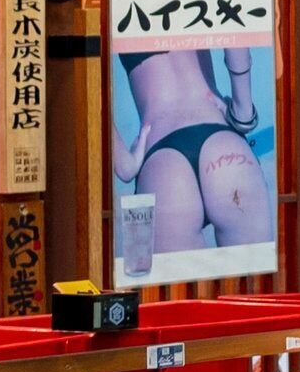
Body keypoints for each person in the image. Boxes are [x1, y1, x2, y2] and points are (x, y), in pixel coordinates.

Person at [114, 41, 276, 264]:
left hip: (162, 159)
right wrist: (243, 112)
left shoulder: (111, 4)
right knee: (255, 292)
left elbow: (86, 61)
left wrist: (122, 162)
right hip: (223, 145)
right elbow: (235, 30)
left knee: (162, 296)